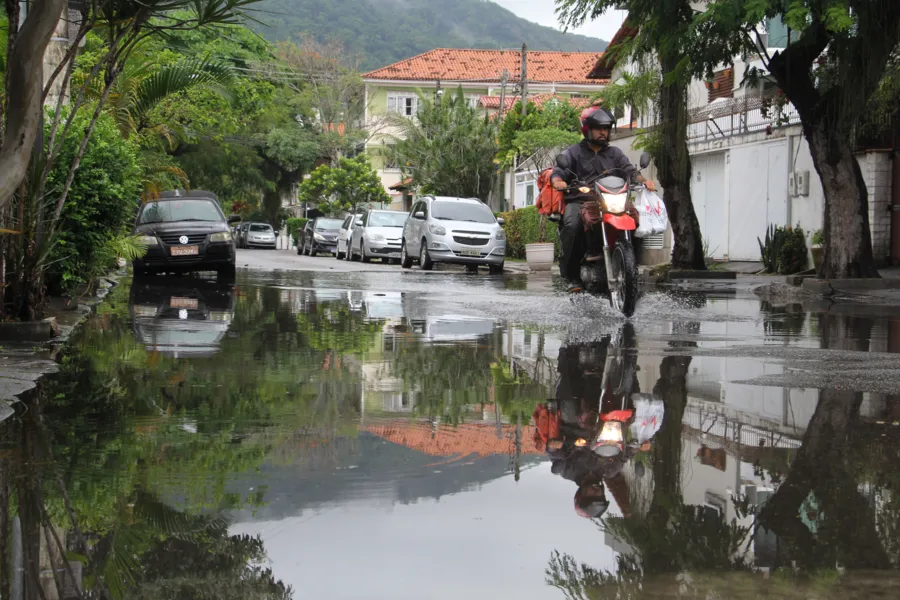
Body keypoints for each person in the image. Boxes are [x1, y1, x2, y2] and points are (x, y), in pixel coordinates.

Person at [550, 105, 657, 293]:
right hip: (581, 200)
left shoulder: (615, 153)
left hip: (611, 200)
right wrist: (557, 180)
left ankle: (631, 270)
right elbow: (559, 171)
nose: (603, 132)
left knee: (635, 220)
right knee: (572, 226)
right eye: (598, 128)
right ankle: (572, 275)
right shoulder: (574, 152)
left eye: (606, 128)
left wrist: (644, 181)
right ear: (587, 129)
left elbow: (629, 172)